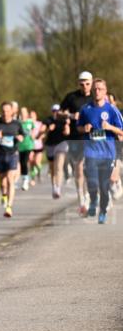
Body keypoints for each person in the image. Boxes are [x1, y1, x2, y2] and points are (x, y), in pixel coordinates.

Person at [76, 78, 123, 223]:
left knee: (104, 186)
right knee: (92, 182)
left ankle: (102, 211)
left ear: (105, 91)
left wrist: (109, 127)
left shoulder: (112, 110)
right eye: (95, 89)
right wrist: (84, 129)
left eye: (100, 89)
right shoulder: (85, 109)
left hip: (108, 154)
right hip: (91, 152)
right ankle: (93, 201)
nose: (97, 91)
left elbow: (121, 131)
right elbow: (78, 127)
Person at [61, 72, 94, 215]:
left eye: (87, 83)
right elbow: (59, 113)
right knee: (79, 169)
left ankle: (91, 195)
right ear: (78, 83)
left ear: (92, 83)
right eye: (82, 83)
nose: (84, 86)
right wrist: (70, 116)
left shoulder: (96, 96)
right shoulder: (71, 97)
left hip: (94, 137)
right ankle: (82, 200)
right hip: (77, 137)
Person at [0, 101, 25, 218]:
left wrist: (20, 137)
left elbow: (23, 135)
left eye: (7, 111)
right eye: (3, 111)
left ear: (11, 111)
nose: (5, 113)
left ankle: (9, 207)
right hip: (0, 155)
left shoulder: (16, 124)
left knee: (10, 179)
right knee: (3, 182)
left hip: (13, 154)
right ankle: (4, 195)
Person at [44, 103, 69, 198]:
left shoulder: (64, 121)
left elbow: (68, 132)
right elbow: (42, 131)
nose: (56, 113)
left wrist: (67, 129)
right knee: (52, 168)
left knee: (58, 166)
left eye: (58, 111)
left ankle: (58, 188)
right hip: (50, 145)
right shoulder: (48, 120)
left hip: (61, 144)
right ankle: (54, 186)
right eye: (54, 111)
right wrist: (48, 129)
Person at [17, 105, 36, 190]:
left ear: (27, 113)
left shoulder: (30, 122)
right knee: (22, 163)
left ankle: (25, 180)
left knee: (25, 162)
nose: (23, 114)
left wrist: (33, 136)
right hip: (20, 146)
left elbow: (33, 131)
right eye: (21, 112)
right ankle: (25, 177)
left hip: (29, 145)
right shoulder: (18, 122)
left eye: (24, 112)